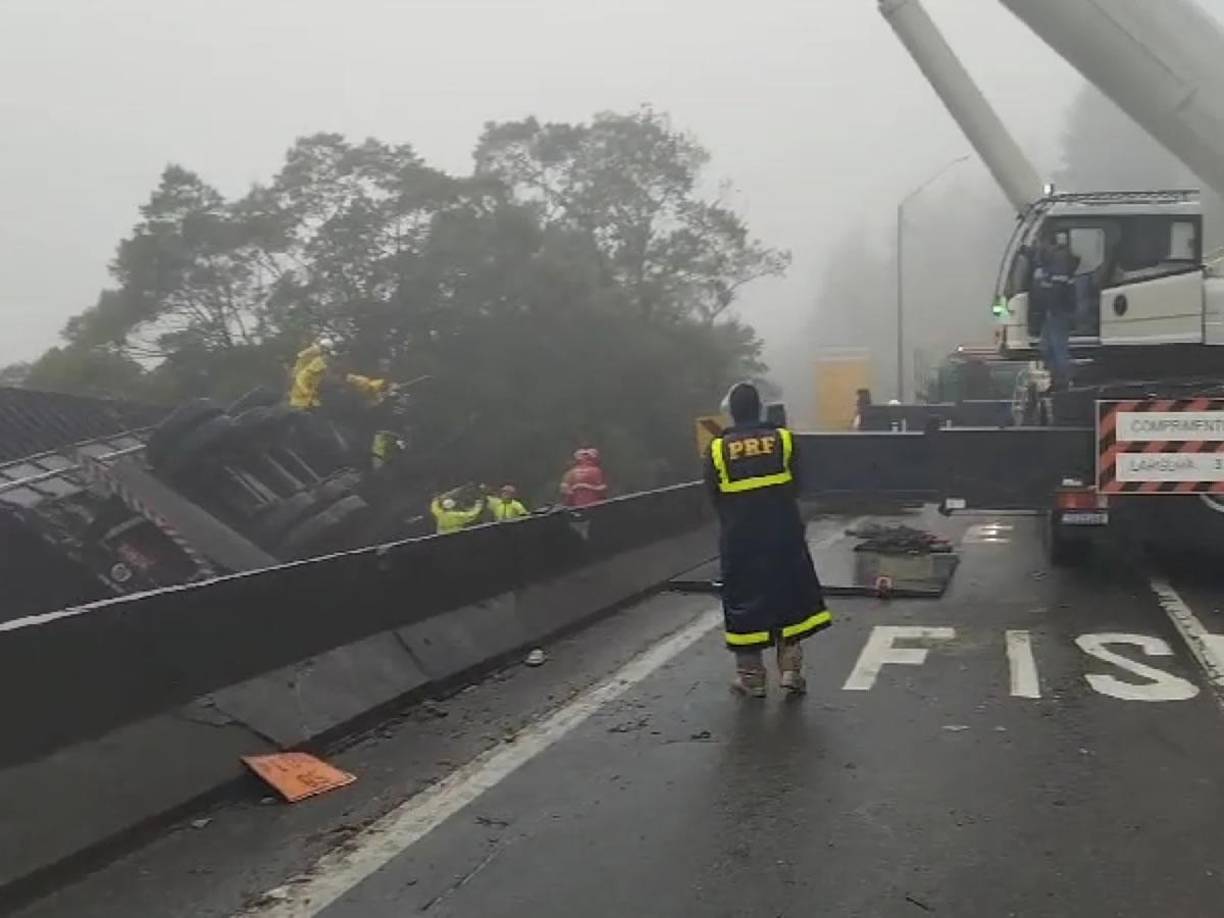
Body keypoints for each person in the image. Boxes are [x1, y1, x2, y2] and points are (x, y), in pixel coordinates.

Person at [704, 382, 832, 698]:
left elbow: (713, 495)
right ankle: (790, 670)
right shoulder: (784, 440)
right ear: (760, 407)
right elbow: (799, 485)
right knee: (788, 597)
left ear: (732, 413)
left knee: (744, 604)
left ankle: (752, 678)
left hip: (741, 541)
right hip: (783, 535)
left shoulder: (718, 449)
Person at [1036, 232, 1080, 391]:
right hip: (1052, 311)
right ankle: (1056, 378)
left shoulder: (1058, 260)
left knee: (1058, 346)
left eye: (1040, 241)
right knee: (1046, 347)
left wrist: (1051, 307)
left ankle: (1065, 380)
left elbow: (1057, 288)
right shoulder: (1052, 259)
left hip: (1058, 311)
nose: (1038, 245)